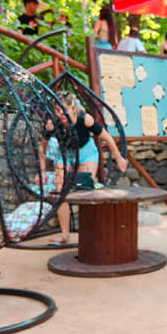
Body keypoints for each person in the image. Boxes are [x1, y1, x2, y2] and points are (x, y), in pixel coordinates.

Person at [43, 93, 128, 245]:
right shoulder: (52, 124)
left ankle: (93, 232)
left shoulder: (85, 119)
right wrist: (42, 171)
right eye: (58, 110)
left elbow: (107, 137)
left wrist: (118, 158)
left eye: (65, 109)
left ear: (73, 108)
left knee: (83, 188)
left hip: (86, 152)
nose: (62, 114)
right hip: (65, 155)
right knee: (61, 192)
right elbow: (41, 147)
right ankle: (64, 235)